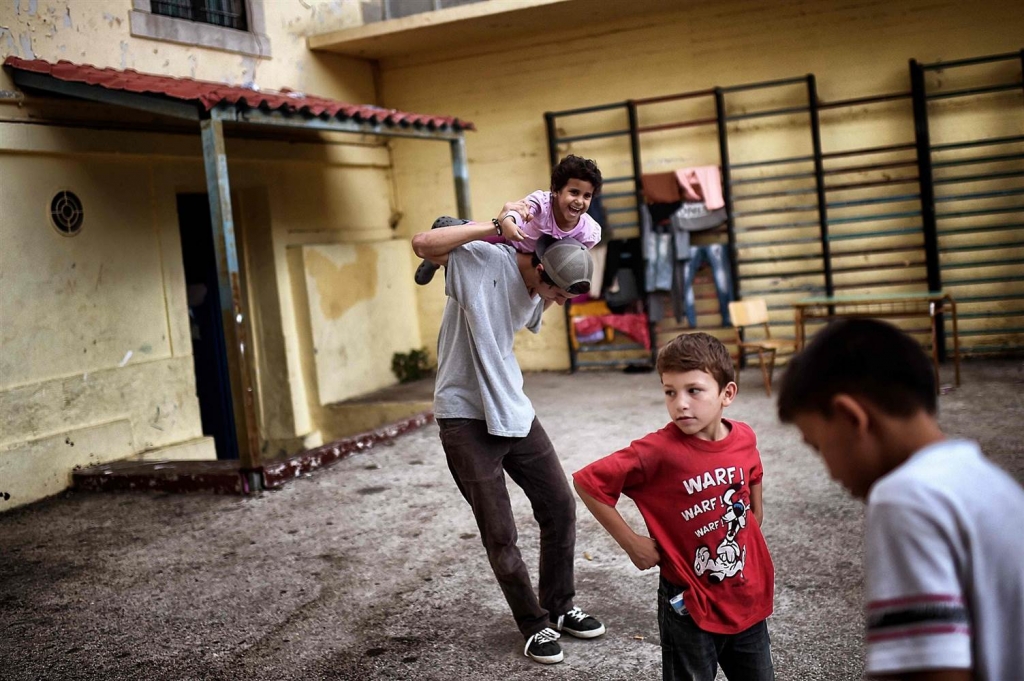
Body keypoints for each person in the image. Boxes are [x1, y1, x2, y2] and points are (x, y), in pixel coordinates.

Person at [777, 319, 1024, 681]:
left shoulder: (905, 498)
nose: (829, 472)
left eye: (818, 446)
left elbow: (930, 672)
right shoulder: (988, 481)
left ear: (850, 417)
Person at [410, 226, 606, 665]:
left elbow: (551, 230)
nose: (554, 303)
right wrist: (491, 230)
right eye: (554, 293)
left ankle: (560, 604)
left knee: (559, 505)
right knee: (500, 533)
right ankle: (534, 625)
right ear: (538, 268)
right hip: (464, 415)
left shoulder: (538, 283)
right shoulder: (483, 261)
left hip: (511, 408)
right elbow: (424, 241)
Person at [573, 332, 775, 681]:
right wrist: (632, 543)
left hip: (746, 595)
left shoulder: (743, 436)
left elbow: (752, 470)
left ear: (727, 393)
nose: (680, 403)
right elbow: (589, 482)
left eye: (693, 390)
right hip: (688, 605)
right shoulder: (656, 451)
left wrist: (754, 515)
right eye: (670, 391)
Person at [414, 154, 603, 285]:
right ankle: (441, 250)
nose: (579, 201)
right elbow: (517, 211)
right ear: (555, 190)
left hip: (530, 257)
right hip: (510, 239)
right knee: (463, 235)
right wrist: (509, 224)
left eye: (587, 196)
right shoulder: (542, 203)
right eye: (574, 192)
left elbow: (576, 257)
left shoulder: (588, 232)